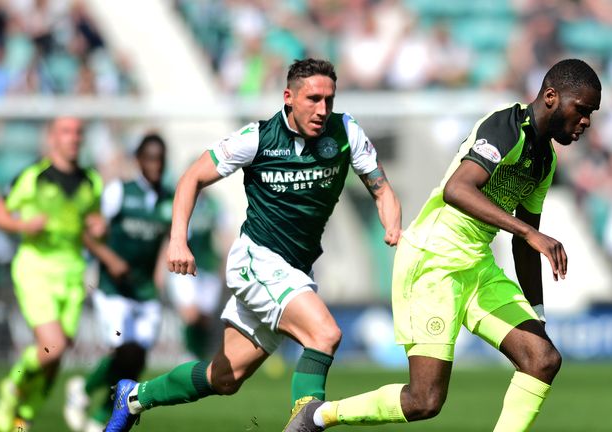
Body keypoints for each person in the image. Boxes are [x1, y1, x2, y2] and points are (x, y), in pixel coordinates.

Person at [285, 58, 602, 432]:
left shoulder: (544, 160)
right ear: (550, 96)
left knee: (542, 358)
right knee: (424, 400)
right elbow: (457, 189)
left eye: (591, 114)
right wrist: (528, 234)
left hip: (477, 265)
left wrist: (537, 314)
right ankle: (317, 415)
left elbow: (525, 243)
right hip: (433, 259)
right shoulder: (506, 126)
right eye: (582, 109)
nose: (586, 121)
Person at [104, 58, 402, 431]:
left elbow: (381, 188)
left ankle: (134, 396)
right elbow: (193, 177)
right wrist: (178, 240)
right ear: (289, 97)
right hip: (257, 260)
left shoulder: (345, 132)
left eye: (329, 99)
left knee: (224, 377)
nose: (322, 109)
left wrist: (393, 226)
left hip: (294, 270)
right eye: (313, 99)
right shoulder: (257, 138)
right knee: (324, 334)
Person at [0, 117, 104, 432]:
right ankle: (12, 386)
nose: (73, 138)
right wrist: (23, 225)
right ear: (52, 138)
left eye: (78, 132)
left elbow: (93, 224)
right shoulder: (32, 176)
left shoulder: (91, 182)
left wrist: (99, 228)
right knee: (53, 346)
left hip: (73, 273)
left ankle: (23, 417)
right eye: (66, 132)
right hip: (36, 268)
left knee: (54, 358)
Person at [63, 133, 173, 431]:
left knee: (137, 358)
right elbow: (87, 232)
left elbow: (169, 239)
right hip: (113, 288)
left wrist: (162, 272)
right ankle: (84, 391)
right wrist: (110, 259)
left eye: (160, 159)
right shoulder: (119, 192)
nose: (156, 165)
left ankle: (99, 418)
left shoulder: (169, 199)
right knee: (123, 349)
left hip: (145, 289)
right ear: (138, 160)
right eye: (150, 158)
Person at [167, 192, 229, 360]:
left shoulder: (214, 204)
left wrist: (224, 265)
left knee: (204, 319)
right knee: (191, 314)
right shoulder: (178, 201)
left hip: (208, 267)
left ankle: (199, 357)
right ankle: (188, 355)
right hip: (184, 266)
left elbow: (224, 235)